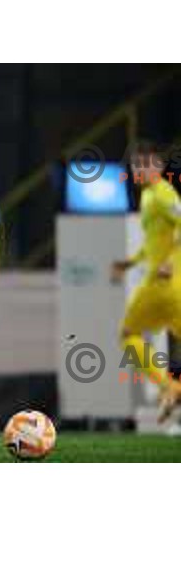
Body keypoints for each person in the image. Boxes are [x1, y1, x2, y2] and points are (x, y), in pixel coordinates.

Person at [111, 142, 181, 423]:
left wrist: (170, 262)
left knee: (128, 334)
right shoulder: (148, 196)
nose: (138, 170)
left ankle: (170, 387)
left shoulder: (163, 193)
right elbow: (154, 242)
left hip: (166, 283)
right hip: (163, 282)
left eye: (144, 165)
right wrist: (129, 262)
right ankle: (170, 388)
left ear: (159, 166)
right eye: (135, 166)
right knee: (130, 334)